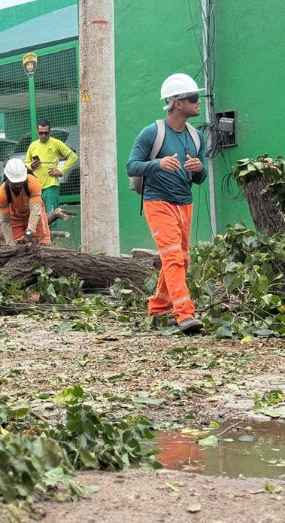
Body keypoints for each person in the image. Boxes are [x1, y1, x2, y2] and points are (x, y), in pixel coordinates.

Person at [126, 73, 207, 334]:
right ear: (177, 103)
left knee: (182, 259)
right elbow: (131, 166)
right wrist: (158, 164)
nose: (198, 102)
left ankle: (159, 308)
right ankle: (185, 314)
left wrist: (199, 168)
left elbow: (201, 178)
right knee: (172, 256)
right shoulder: (152, 133)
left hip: (185, 203)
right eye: (192, 98)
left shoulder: (196, 136)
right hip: (157, 202)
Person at [25, 120, 78, 216]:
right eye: (41, 133)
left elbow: (73, 157)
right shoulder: (33, 145)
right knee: (37, 216)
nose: (43, 135)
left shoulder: (56, 143)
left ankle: (53, 226)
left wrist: (61, 171)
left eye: (46, 133)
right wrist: (31, 165)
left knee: (52, 215)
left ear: (50, 131)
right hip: (35, 187)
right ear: (37, 132)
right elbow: (26, 163)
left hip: (51, 186)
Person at [0, 158, 50, 246]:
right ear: (7, 178)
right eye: (14, 183)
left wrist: (30, 232)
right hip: (15, 217)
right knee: (17, 246)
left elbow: (35, 210)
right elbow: (5, 220)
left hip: (34, 214)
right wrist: (10, 244)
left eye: (20, 182)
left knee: (43, 243)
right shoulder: (2, 193)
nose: (18, 185)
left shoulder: (33, 182)